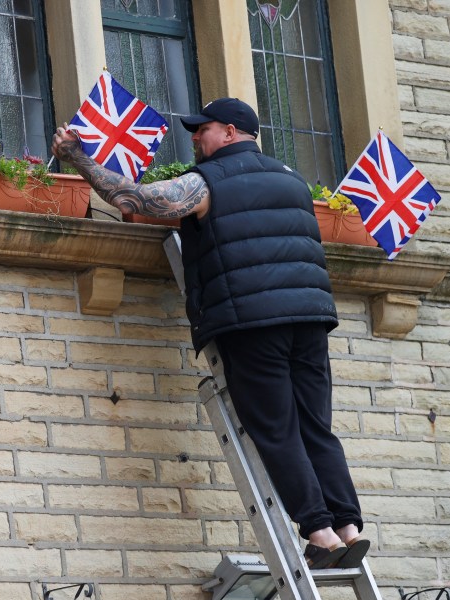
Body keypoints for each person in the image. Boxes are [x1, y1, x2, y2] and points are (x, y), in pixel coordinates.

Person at [51, 97, 368, 570]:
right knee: (315, 426)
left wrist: (78, 158)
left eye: (205, 129)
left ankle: (319, 532)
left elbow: (134, 199)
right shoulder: (293, 181)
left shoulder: (208, 181)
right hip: (311, 318)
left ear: (232, 131)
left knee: (276, 430)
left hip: (252, 322)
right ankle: (349, 527)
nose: (196, 137)